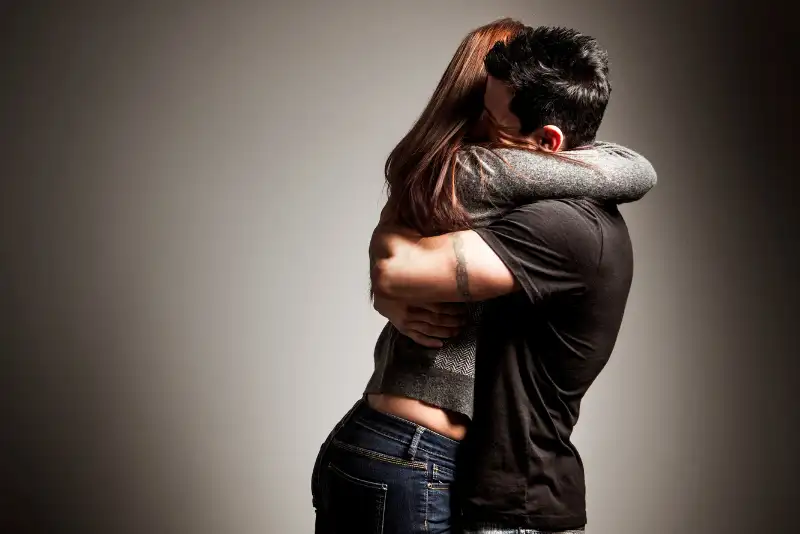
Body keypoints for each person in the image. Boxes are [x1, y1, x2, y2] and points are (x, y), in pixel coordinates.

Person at [312, 20, 655, 534]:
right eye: (479, 111)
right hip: (408, 452)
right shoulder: (472, 173)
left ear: (548, 138)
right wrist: (386, 285)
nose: (485, 131)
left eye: (493, 117)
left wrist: (386, 285)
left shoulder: (502, 194)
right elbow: (634, 170)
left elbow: (394, 265)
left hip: (397, 448)